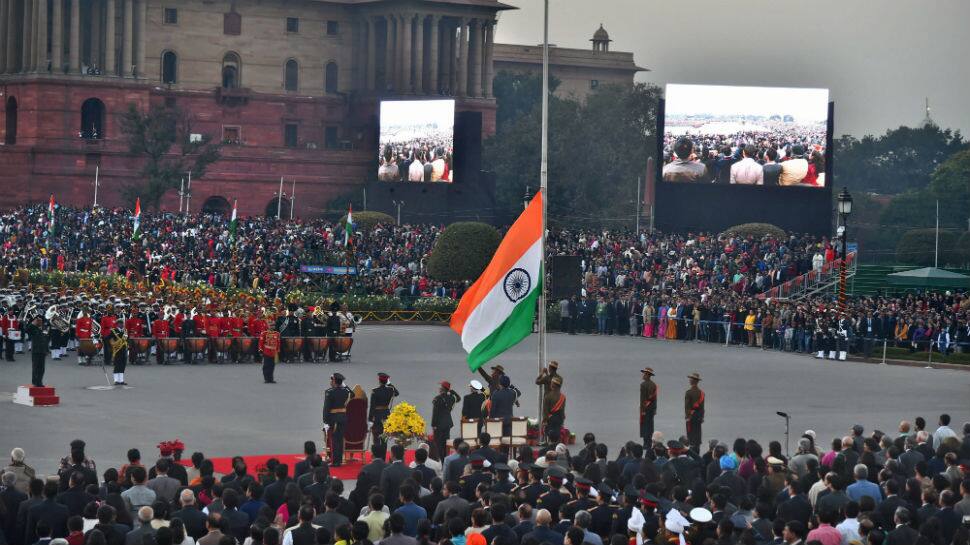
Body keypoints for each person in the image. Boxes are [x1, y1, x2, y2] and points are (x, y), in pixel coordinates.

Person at [323, 373, 353, 466]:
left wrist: (325, 421)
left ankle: (335, 462)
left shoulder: (329, 392)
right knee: (340, 440)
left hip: (334, 419)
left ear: (334, 381)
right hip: (343, 418)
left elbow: (326, 408)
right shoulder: (345, 391)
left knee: (335, 441)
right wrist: (345, 385)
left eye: (332, 380)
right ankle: (339, 460)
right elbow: (353, 394)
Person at [430, 381, 460, 462]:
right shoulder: (452, 398)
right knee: (445, 442)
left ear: (442, 388)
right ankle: (446, 459)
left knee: (438, 443)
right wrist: (452, 392)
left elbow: (435, 413)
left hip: (439, 424)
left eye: (440, 386)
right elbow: (459, 398)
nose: (439, 388)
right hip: (447, 423)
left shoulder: (437, 399)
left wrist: (433, 424)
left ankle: (442, 460)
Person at [369, 373, 399, 450]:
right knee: (384, 438)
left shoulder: (375, 391)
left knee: (376, 437)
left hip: (377, 416)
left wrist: (370, 419)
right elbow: (397, 393)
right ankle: (383, 456)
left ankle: (377, 456)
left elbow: (372, 407)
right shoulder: (390, 390)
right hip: (386, 415)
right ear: (387, 381)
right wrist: (389, 383)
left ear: (379, 381)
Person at [23, 316, 50, 387]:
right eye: (38, 321)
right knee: (35, 367)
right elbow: (26, 330)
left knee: (42, 368)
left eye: (41, 321)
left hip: (43, 350)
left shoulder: (44, 329)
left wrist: (47, 350)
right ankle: (35, 382)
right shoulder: (33, 328)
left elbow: (46, 340)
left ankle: (39, 381)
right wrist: (33, 323)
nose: (40, 322)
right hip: (36, 350)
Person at [542, 377, 566, 446]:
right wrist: (562, 420)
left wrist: (545, 421)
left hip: (550, 418)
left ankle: (549, 447)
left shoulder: (548, 396)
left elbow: (545, 411)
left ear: (553, 385)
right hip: (559, 418)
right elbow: (562, 410)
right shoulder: (563, 397)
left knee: (549, 434)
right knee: (557, 435)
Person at [684, 372, 705, 451]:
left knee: (690, 435)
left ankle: (691, 451)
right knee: (697, 434)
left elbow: (687, 406)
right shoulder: (701, 393)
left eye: (691, 379)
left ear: (693, 381)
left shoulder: (688, 392)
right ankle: (697, 450)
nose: (689, 380)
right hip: (699, 415)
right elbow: (702, 407)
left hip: (691, 416)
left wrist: (687, 416)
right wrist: (702, 417)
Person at [639, 367, 658, 447]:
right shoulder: (654, 385)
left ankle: (646, 444)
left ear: (647, 375)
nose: (643, 375)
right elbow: (655, 399)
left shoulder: (643, 385)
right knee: (650, 425)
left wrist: (642, 410)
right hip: (651, 408)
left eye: (644, 373)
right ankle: (650, 443)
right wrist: (654, 409)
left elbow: (642, 399)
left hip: (645, 409)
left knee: (644, 425)